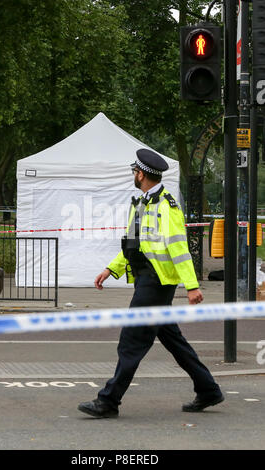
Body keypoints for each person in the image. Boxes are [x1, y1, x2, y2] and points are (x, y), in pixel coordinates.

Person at [78, 148, 224, 418]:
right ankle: (208, 390)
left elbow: (179, 248)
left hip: (156, 283)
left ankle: (109, 401)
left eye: (134, 172)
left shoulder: (166, 206)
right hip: (145, 279)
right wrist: (111, 269)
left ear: (141, 174)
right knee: (173, 340)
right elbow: (134, 246)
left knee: (131, 341)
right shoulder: (141, 203)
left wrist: (192, 286)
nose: (133, 175)